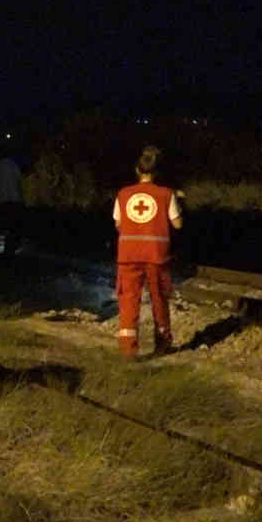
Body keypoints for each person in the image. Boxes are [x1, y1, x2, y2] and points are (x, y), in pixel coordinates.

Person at [113, 145, 182, 362]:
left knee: (128, 301)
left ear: (137, 170)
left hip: (128, 255)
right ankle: (162, 343)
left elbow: (118, 224)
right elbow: (177, 224)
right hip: (156, 255)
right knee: (159, 298)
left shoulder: (123, 194)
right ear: (158, 171)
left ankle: (128, 350)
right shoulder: (166, 193)